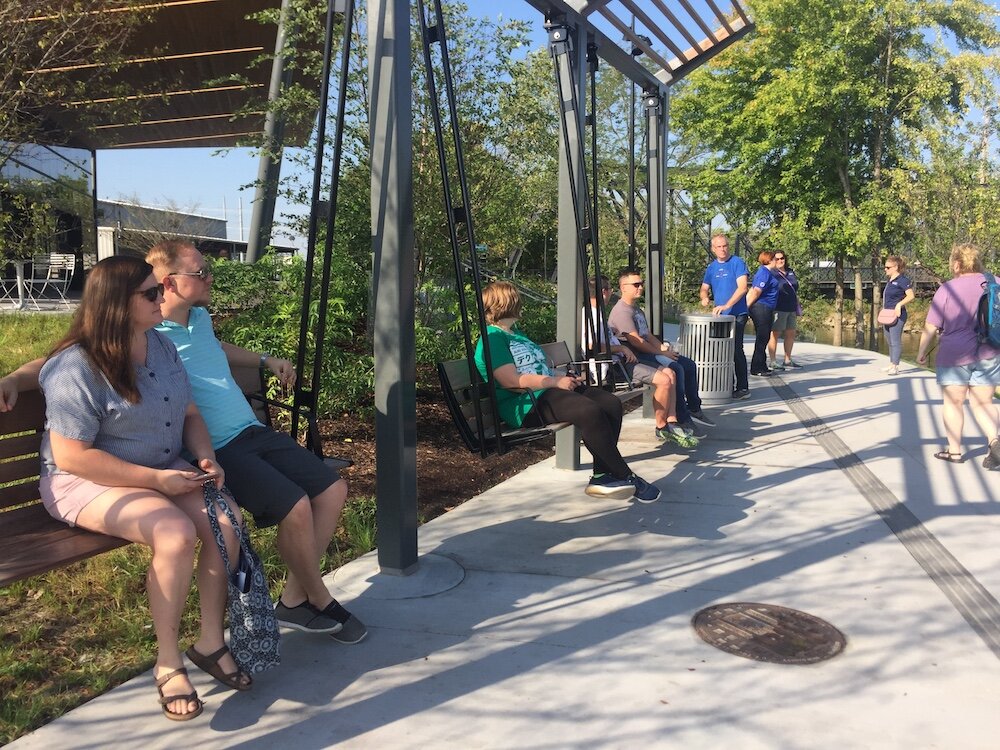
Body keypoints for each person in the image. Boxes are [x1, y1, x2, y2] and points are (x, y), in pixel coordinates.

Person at [0, 239, 367, 644]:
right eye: (200, 273)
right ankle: (316, 598)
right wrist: (16, 378)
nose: (210, 277)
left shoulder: (184, 327)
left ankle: (295, 600)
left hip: (245, 433)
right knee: (292, 506)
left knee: (333, 489)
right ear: (169, 283)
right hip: (207, 449)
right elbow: (67, 359)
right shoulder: (149, 334)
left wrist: (265, 360)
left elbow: (211, 356)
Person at [35, 256, 247, 722]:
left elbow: (190, 414)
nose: (162, 297)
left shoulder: (160, 346)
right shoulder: (76, 366)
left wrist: (206, 456)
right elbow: (71, 457)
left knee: (226, 522)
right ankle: (169, 663)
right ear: (116, 303)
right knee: (174, 534)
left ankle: (211, 642)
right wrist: (156, 481)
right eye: (151, 293)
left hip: (161, 467)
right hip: (85, 479)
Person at [476, 281, 661, 503]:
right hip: (523, 402)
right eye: (517, 298)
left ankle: (603, 475)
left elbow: (536, 368)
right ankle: (625, 475)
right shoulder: (492, 338)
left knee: (610, 402)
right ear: (508, 302)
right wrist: (554, 382)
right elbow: (510, 381)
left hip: (544, 391)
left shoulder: (516, 334)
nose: (521, 303)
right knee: (588, 410)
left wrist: (564, 377)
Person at [582, 278, 696, 448]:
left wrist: (611, 333)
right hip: (614, 368)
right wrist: (620, 349)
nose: (610, 294)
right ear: (604, 292)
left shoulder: (598, 312)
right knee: (664, 380)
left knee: (671, 373)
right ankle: (662, 427)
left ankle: (671, 422)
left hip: (622, 361)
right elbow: (591, 346)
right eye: (610, 290)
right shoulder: (591, 314)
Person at [916, 243, 1000, 467]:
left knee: (953, 403)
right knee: (983, 402)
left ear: (956, 264)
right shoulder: (996, 283)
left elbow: (932, 325)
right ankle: (994, 440)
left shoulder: (949, 288)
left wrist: (922, 352)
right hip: (990, 351)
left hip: (955, 354)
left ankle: (954, 452)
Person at [608, 268, 715, 440]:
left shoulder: (635, 309)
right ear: (623, 287)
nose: (640, 287)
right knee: (676, 369)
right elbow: (636, 341)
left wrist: (663, 349)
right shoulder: (621, 311)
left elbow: (648, 335)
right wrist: (660, 353)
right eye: (636, 284)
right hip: (636, 357)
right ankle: (682, 418)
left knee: (688, 365)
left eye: (641, 284)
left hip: (647, 352)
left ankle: (694, 408)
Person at [700, 234, 751, 399]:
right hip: (719, 316)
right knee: (718, 351)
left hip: (737, 314)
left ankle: (743, 387)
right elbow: (704, 287)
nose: (723, 249)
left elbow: (743, 288)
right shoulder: (712, 267)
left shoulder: (737, 263)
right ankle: (722, 384)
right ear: (713, 249)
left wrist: (728, 305)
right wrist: (704, 297)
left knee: (736, 350)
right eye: (719, 247)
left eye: (725, 246)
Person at [744, 250, 781, 377]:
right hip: (762, 308)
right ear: (769, 260)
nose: (777, 261)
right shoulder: (764, 273)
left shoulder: (767, 273)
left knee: (764, 338)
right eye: (775, 259)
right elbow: (755, 291)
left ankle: (762, 365)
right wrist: (746, 307)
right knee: (762, 338)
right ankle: (757, 367)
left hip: (766, 308)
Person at [881, 255, 915, 376]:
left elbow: (911, 295)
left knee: (895, 341)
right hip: (887, 314)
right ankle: (891, 363)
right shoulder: (889, 281)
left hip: (897, 315)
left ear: (896, 267)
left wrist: (899, 304)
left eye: (888, 267)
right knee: (889, 340)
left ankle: (895, 366)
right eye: (885, 267)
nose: (885, 269)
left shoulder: (903, 280)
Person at [768, 252, 802, 371]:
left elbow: (795, 288)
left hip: (791, 307)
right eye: (777, 259)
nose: (780, 260)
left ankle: (787, 359)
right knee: (775, 334)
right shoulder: (772, 273)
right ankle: (772, 361)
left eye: (782, 258)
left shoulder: (790, 271)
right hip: (779, 307)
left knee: (791, 333)